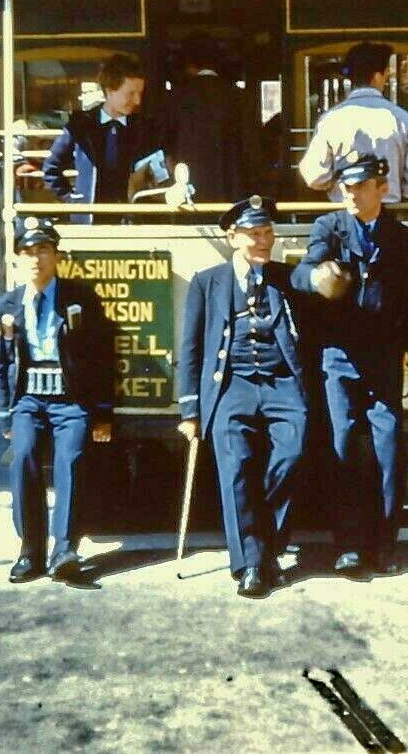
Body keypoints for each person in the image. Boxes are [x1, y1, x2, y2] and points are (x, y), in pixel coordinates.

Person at [291, 154, 408, 577]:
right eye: (345, 188)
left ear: (381, 189)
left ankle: (385, 544)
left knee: (390, 452)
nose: (350, 194)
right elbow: (301, 274)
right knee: (343, 447)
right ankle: (348, 545)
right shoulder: (329, 229)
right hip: (339, 357)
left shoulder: (402, 239)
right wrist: (318, 279)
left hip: (384, 359)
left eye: (359, 187)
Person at [176, 195, 310, 599]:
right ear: (233, 237)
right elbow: (191, 348)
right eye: (255, 234)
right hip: (230, 386)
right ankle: (253, 562)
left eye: (269, 232)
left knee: (292, 454)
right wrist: (190, 409)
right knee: (235, 467)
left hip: (282, 383)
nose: (265, 241)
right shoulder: (207, 281)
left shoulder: (288, 278)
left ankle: (265, 541)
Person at [0, 216, 116, 585]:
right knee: (24, 458)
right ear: (17, 259)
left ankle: (65, 549)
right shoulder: (7, 306)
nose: (35, 259)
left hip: (71, 400)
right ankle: (30, 551)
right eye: (28, 252)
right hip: (29, 400)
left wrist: (103, 413)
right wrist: (4, 416)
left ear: (57, 256)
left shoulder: (80, 298)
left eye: (43, 250)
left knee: (72, 461)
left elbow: (101, 357)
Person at [297, 42, 408, 205]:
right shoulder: (401, 119)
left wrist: (340, 181)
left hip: (345, 214)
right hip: (389, 214)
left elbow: (315, 176)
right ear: (378, 75)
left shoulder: (331, 119)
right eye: (386, 74)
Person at [42, 52, 164, 209]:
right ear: (110, 90)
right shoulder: (80, 125)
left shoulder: (145, 127)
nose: (137, 100)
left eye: (140, 93)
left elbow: (158, 170)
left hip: (132, 218)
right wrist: (73, 201)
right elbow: (51, 169)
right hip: (91, 219)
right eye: (130, 93)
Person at [159, 33, 261, 202]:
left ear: (187, 63)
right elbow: (251, 150)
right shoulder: (239, 97)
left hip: (187, 194)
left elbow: (165, 148)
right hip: (232, 190)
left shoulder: (176, 98)